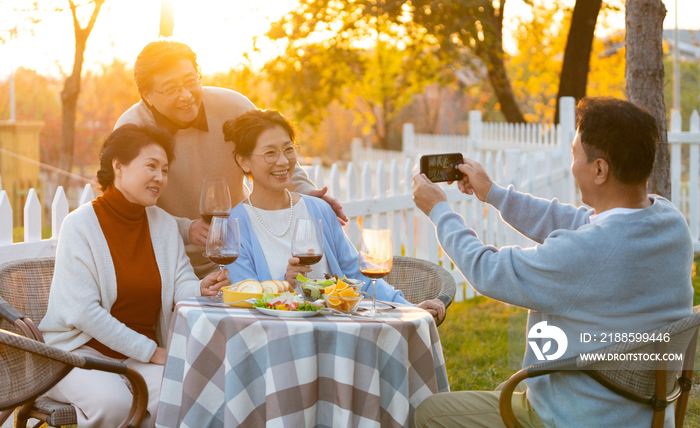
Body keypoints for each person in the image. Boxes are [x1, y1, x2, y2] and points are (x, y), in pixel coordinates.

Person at [411, 97, 694, 427]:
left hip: (575, 414)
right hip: (641, 411)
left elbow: (489, 271)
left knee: (429, 413)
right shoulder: (668, 221)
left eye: (575, 154)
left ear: (600, 169)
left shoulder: (589, 252)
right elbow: (579, 222)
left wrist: (439, 212)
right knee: (505, 389)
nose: (572, 164)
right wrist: (493, 193)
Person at [39, 125, 231, 428]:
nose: (160, 177)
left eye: (165, 170)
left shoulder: (163, 224)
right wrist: (151, 351)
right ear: (118, 166)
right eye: (151, 166)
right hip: (77, 354)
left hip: (137, 357)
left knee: (189, 393)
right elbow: (83, 312)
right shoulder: (79, 226)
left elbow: (180, 282)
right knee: (115, 404)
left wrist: (200, 288)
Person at [114, 40, 346, 278]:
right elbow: (126, 205)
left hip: (242, 253)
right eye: (171, 88)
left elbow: (274, 150)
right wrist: (186, 229)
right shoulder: (131, 129)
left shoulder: (233, 106)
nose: (185, 95)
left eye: (191, 81)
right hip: (170, 262)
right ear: (147, 96)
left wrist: (308, 194)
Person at [224, 109, 446, 321]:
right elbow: (245, 301)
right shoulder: (235, 225)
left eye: (288, 149)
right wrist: (285, 284)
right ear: (244, 161)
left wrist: (408, 307)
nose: (283, 161)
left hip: (337, 333)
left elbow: (357, 276)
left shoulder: (318, 210)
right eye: (270, 153)